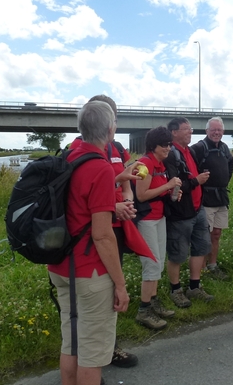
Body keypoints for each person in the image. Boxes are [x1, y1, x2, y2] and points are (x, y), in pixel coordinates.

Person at [48, 101, 130, 385]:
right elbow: (103, 235)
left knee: (71, 343)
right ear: (109, 131)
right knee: (92, 354)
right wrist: (120, 284)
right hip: (90, 273)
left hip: (59, 266)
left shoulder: (67, 158)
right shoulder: (101, 168)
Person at [69, 95, 138, 368]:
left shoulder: (118, 148)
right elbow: (88, 194)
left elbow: (126, 179)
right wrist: (112, 205)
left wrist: (126, 200)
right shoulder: (80, 150)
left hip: (114, 226)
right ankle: (95, 360)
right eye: (113, 117)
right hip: (96, 234)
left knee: (107, 297)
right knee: (100, 296)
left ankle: (108, 348)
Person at [134, 127, 181, 329]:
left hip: (159, 217)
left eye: (170, 144)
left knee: (159, 262)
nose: (169, 148)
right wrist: (168, 185)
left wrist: (172, 192)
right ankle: (144, 311)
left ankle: (153, 303)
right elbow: (142, 195)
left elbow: (157, 191)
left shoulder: (159, 164)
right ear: (154, 146)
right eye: (165, 145)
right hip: (146, 220)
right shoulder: (145, 163)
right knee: (151, 264)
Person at [163, 117, 213, 308]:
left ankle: (194, 287)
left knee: (201, 248)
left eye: (190, 129)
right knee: (177, 253)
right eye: (186, 129)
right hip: (180, 213)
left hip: (197, 209)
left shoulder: (189, 151)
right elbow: (171, 185)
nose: (190, 132)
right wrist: (196, 181)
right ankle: (175, 290)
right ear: (174, 132)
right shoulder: (169, 155)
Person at [192, 116, 233, 280]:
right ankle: (201, 270)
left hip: (221, 197)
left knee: (216, 233)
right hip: (205, 198)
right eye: (213, 130)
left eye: (219, 130)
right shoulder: (198, 148)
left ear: (223, 131)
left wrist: (223, 180)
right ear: (206, 131)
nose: (216, 132)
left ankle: (213, 265)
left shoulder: (224, 148)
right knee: (204, 235)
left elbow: (230, 165)